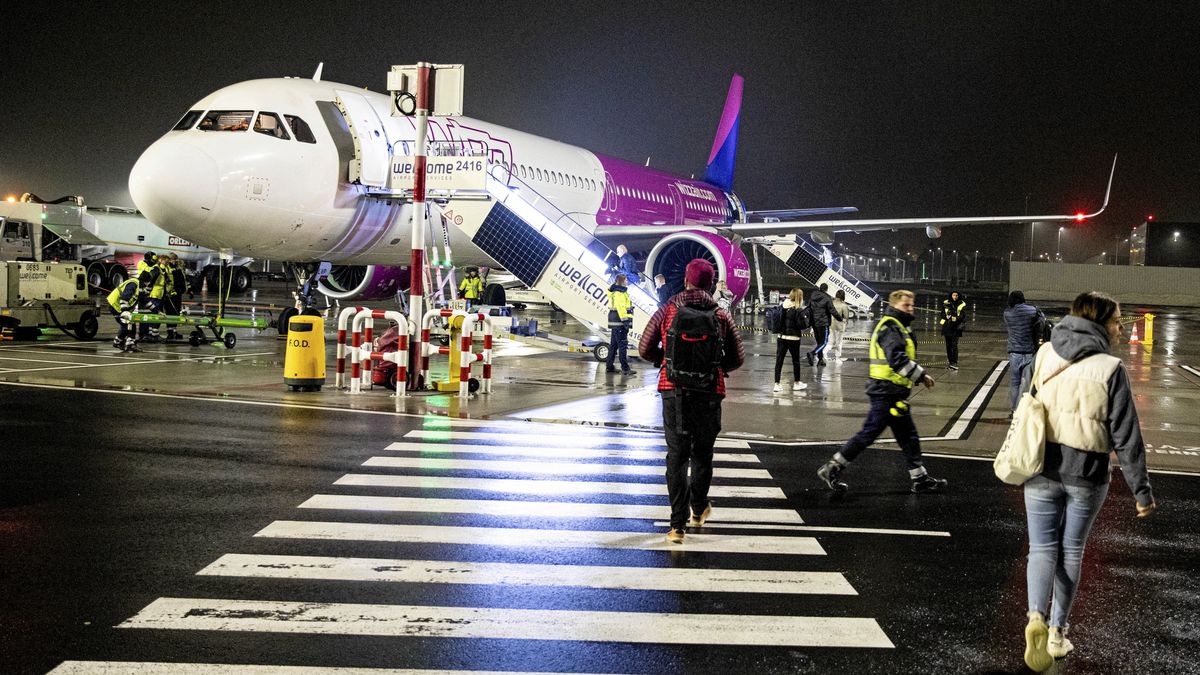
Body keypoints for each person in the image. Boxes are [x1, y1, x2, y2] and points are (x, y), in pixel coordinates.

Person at [1019, 291, 1155, 672]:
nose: (1120, 326)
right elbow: (1127, 437)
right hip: (1087, 474)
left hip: (1041, 465)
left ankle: (1034, 617)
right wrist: (1140, 491)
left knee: (1041, 548)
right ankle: (1058, 633)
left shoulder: (1045, 353)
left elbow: (1026, 403)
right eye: (1117, 320)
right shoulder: (1110, 369)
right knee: (1071, 551)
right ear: (1098, 323)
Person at [638, 258, 744, 544]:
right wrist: (716, 368)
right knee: (702, 455)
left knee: (677, 456)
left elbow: (644, 347)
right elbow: (738, 357)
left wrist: (666, 362)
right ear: (710, 284)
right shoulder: (721, 314)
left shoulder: (667, 309)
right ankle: (698, 510)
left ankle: (677, 527)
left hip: (674, 390)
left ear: (685, 280)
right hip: (709, 391)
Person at [816, 289, 947, 494]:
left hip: (894, 392)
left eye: (912, 305)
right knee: (870, 434)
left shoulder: (899, 326)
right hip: (885, 392)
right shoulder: (890, 328)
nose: (911, 309)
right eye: (906, 305)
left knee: (907, 436)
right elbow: (897, 359)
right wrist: (921, 376)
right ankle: (832, 467)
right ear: (895, 306)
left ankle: (919, 478)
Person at [1004, 290, 1041, 412]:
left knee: (1015, 382)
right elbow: (1040, 320)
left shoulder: (1007, 313)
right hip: (1029, 351)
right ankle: (1023, 408)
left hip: (1015, 352)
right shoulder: (1032, 310)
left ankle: (1014, 409)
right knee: (1026, 382)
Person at [772, 288, 809, 394]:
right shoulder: (798, 310)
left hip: (782, 337)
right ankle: (797, 383)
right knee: (795, 361)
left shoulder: (782, 306)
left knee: (779, 361)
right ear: (799, 297)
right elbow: (802, 325)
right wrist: (805, 317)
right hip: (794, 338)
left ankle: (776, 384)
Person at [806, 282, 843, 366]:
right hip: (823, 323)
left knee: (819, 342)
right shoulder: (827, 298)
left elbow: (808, 307)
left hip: (814, 322)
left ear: (820, 288)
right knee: (824, 342)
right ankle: (813, 353)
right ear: (826, 289)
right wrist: (840, 318)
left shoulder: (813, 296)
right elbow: (832, 310)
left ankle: (820, 360)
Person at [605, 274, 635, 374]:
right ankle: (625, 368)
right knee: (622, 345)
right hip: (619, 322)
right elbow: (621, 308)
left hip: (615, 322)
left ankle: (609, 366)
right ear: (622, 281)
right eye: (626, 280)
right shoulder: (620, 293)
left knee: (613, 345)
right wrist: (625, 321)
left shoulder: (615, 291)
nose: (627, 281)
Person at [106, 275, 143, 352]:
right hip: (115, 305)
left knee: (129, 324)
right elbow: (124, 298)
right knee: (127, 324)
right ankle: (123, 343)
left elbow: (144, 300)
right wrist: (125, 311)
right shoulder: (133, 284)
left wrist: (159, 310)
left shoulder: (138, 286)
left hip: (118, 306)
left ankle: (122, 343)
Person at [163, 254, 187, 341]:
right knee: (170, 313)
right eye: (174, 260)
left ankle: (174, 330)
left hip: (178, 294)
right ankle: (170, 332)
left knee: (176, 312)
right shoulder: (167, 268)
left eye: (176, 259)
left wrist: (184, 290)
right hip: (170, 294)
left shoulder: (178, 268)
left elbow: (182, 280)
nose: (175, 261)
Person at [941, 290, 966, 370]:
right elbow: (942, 313)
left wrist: (956, 318)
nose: (955, 297)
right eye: (953, 295)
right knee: (948, 345)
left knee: (954, 345)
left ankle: (954, 362)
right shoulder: (946, 302)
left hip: (956, 327)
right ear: (951, 296)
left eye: (956, 295)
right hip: (947, 326)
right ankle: (950, 362)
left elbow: (963, 315)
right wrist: (946, 316)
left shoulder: (962, 304)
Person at [829, 289, 849, 362]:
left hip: (830, 324)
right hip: (839, 326)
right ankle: (838, 357)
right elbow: (846, 316)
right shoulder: (844, 305)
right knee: (839, 342)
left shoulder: (831, 303)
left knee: (830, 342)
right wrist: (846, 323)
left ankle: (824, 354)